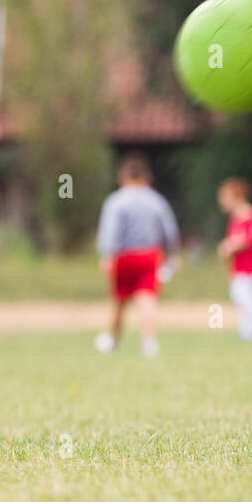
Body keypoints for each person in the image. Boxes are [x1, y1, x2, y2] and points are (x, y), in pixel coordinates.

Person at [94, 152, 181, 357]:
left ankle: (113, 340)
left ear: (122, 177)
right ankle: (149, 342)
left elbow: (110, 232)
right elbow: (169, 231)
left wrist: (107, 255)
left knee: (119, 301)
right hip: (149, 255)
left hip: (123, 256)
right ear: (147, 177)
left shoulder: (115, 201)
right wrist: (170, 255)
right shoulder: (156, 201)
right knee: (147, 298)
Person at [215, 177, 252, 341]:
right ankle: (248, 331)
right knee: (240, 296)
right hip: (238, 266)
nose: (221, 201)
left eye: (224, 197)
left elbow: (251, 239)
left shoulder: (250, 216)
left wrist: (230, 245)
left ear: (236, 197)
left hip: (249, 267)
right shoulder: (236, 218)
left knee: (243, 295)